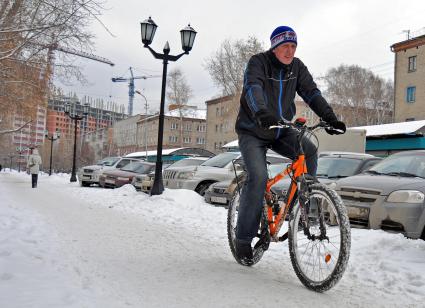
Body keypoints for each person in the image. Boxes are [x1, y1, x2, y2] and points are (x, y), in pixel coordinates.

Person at [234, 26, 346, 264]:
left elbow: (311, 93)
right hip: (253, 129)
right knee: (258, 176)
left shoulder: (297, 67)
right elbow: (253, 88)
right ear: (274, 47)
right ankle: (243, 239)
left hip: (281, 128)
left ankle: (300, 209)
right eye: (285, 46)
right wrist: (261, 112)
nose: (290, 51)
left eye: (293, 46)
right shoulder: (258, 62)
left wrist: (330, 117)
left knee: (311, 150)